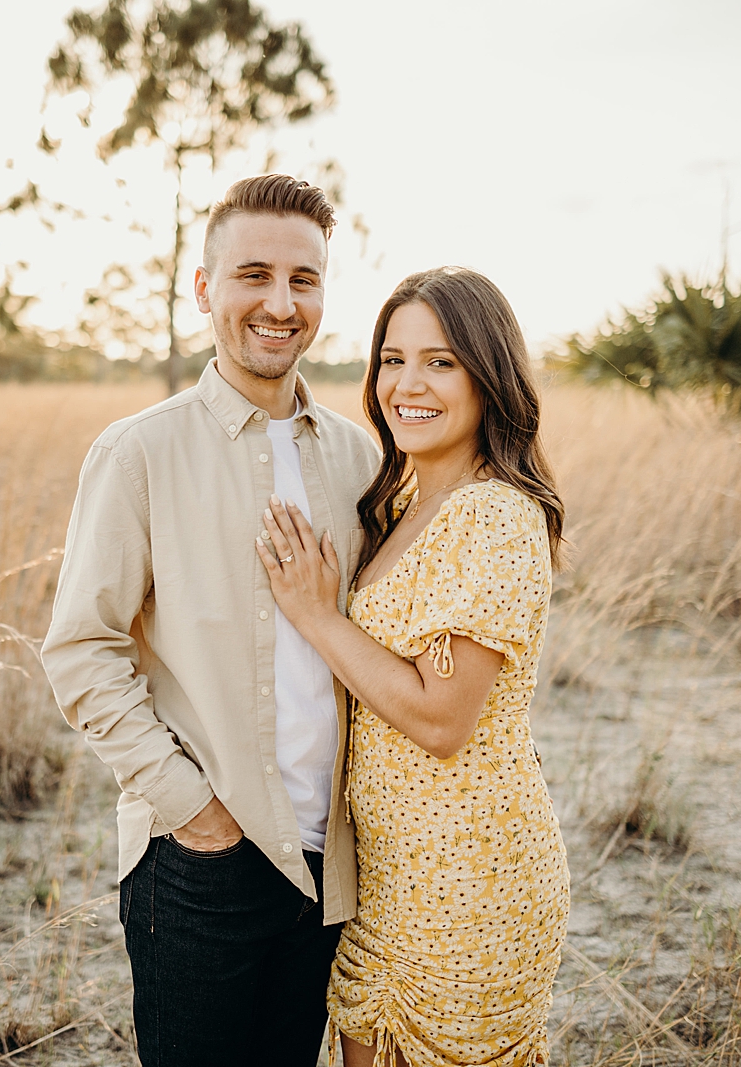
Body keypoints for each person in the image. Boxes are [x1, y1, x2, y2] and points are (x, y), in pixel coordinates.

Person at [41, 174, 379, 1067]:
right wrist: (194, 810)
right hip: (201, 864)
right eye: (253, 274)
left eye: (303, 279)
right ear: (204, 289)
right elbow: (81, 650)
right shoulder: (139, 451)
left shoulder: (360, 456)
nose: (279, 303)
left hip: (329, 865)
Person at [257, 267, 570, 1067]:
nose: (408, 384)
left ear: (487, 375)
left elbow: (441, 716)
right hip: (389, 879)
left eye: (440, 361)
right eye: (392, 359)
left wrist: (318, 615)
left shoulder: (496, 514)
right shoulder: (402, 503)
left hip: (471, 878)